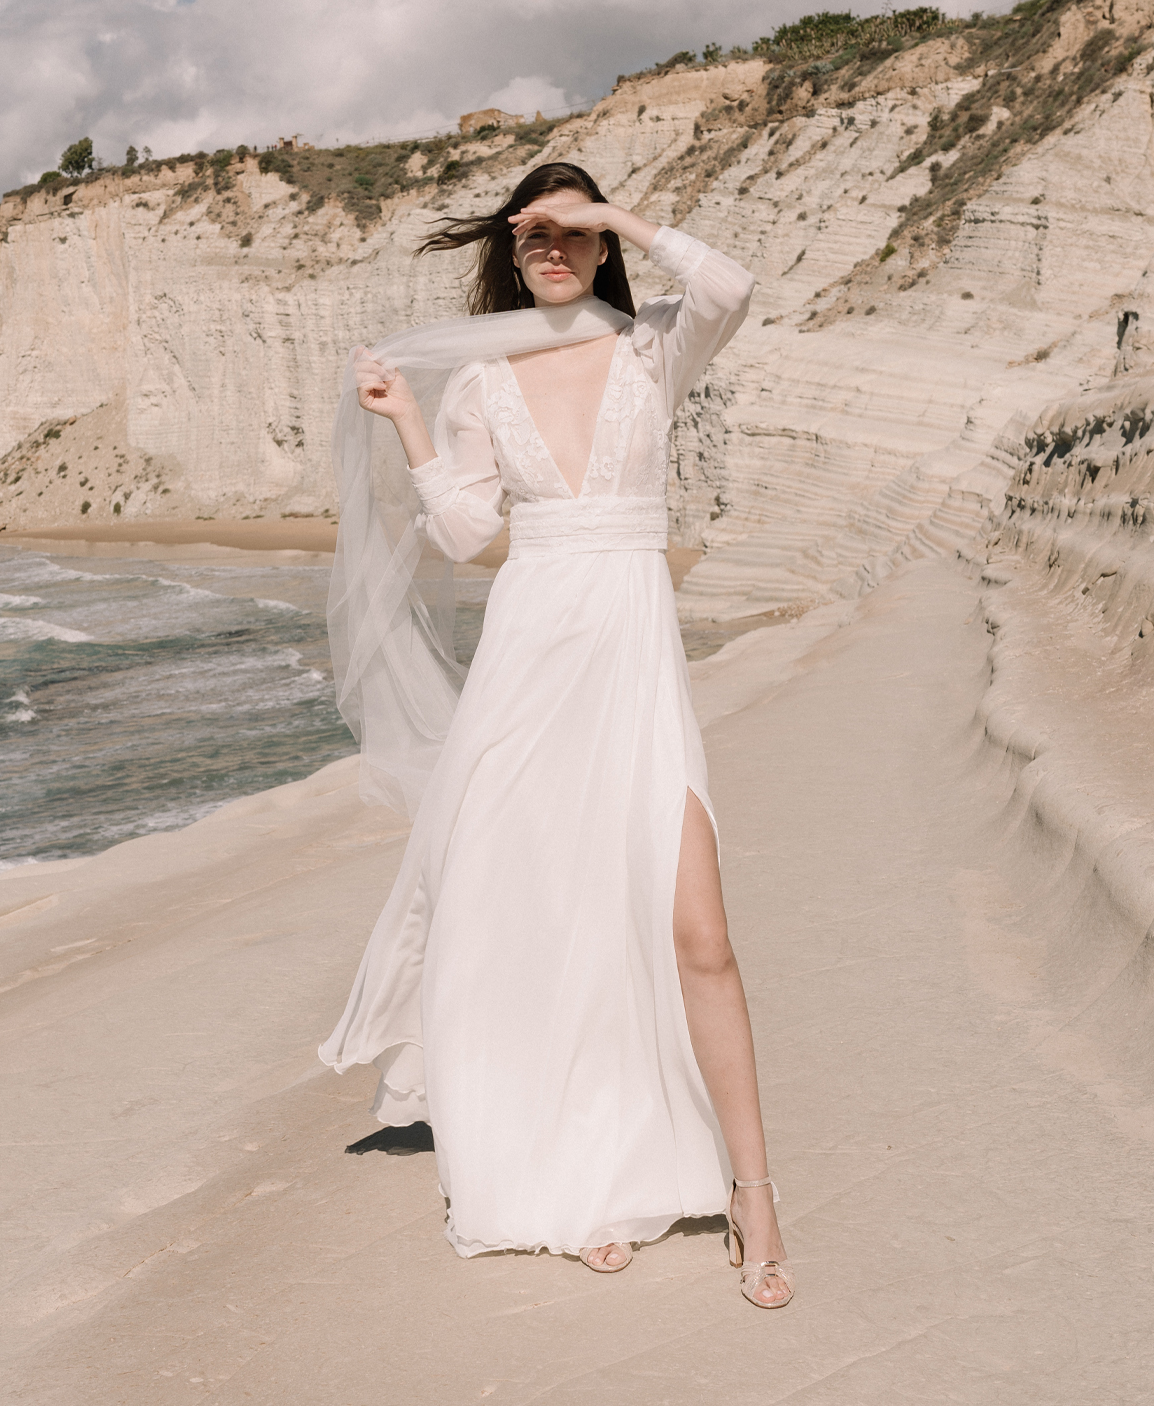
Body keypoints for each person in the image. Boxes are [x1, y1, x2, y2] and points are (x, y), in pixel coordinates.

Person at [317, 162, 790, 1309]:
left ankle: (755, 1190)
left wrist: (618, 215)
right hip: (530, 664)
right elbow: (475, 530)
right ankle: (584, 1179)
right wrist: (414, 426)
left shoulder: (653, 343)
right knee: (550, 921)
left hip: (632, 657)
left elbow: (732, 286)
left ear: (597, 242)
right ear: (510, 252)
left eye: (570, 228)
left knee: (698, 932)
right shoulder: (483, 374)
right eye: (532, 230)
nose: (551, 244)